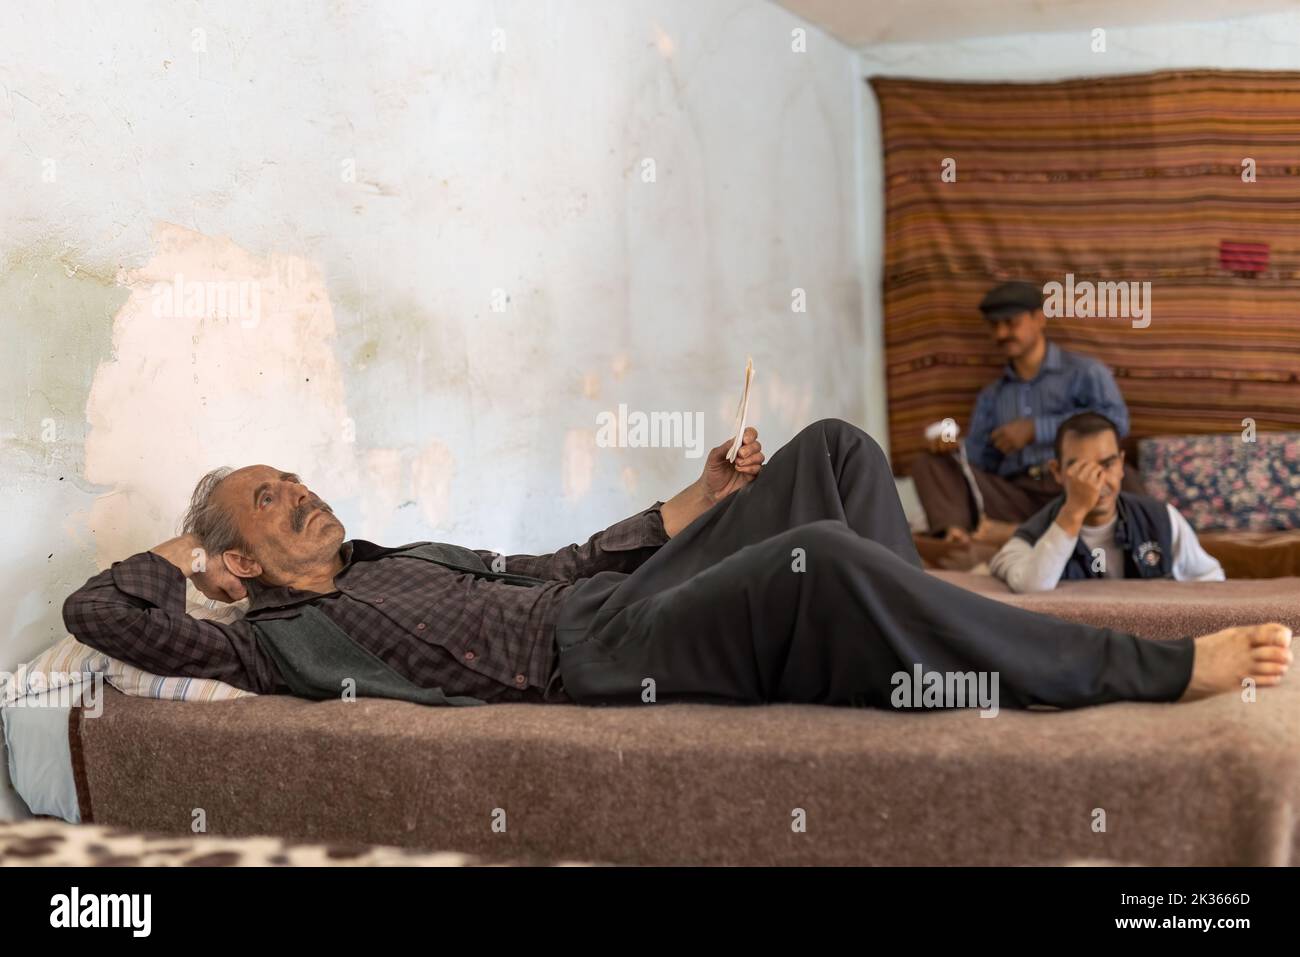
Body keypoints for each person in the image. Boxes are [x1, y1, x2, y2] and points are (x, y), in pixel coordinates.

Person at [63, 419, 1289, 712]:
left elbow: (557, 556)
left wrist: (703, 500)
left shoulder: (400, 553)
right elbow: (99, 608)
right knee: (813, 556)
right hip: (596, 657)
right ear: (235, 558)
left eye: (297, 479)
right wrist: (192, 556)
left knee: (834, 455)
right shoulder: (268, 643)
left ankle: (877, 646)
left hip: (611, 595)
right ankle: (1133, 670)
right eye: (269, 502)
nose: (305, 496)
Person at [911, 280, 1140, 546]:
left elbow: (1117, 422)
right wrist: (948, 445)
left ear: (1039, 318)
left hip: (1077, 487)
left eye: (1010, 323)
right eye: (994, 326)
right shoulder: (992, 396)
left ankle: (1014, 533)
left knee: (1127, 479)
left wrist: (1036, 429)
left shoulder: (1084, 372)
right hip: (1016, 496)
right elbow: (979, 461)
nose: (1001, 333)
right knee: (929, 464)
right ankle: (957, 539)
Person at [990, 412, 1224, 593]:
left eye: (1107, 464)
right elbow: (1032, 587)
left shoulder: (1161, 519)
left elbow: (1210, 580)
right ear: (1057, 471)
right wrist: (1074, 512)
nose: (1097, 481)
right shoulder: (1033, 535)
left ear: (1121, 465)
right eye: (1081, 469)